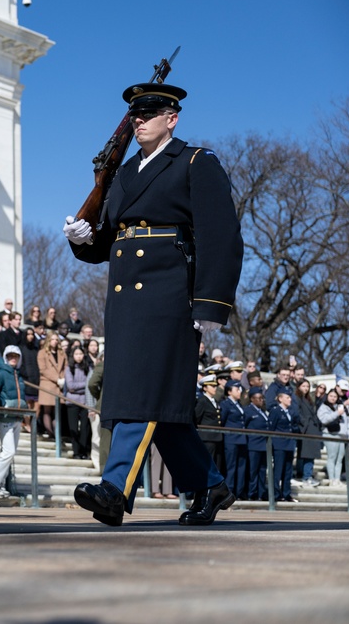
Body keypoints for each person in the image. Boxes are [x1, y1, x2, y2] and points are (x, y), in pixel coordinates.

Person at [64, 81, 243, 526]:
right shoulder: (123, 174)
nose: (139, 120)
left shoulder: (195, 162)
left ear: (172, 118)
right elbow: (110, 237)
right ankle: (209, 486)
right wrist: (84, 241)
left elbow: (222, 236)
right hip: (125, 298)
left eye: (149, 113)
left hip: (168, 294)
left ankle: (114, 488)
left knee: (140, 393)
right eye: (135, 115)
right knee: (157, 403)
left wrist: (210, 304)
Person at [0, 345, 26, 498]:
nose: (13, 358)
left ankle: (0, 484)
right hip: (5, 417)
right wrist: (2, 404)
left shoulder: (18, 375)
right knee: (8, 451)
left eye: (16, 356)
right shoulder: (0, 374)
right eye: (10, 355)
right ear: (5, 357)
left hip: (17, 417)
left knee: (9, 452)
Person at [267, 391, 300, 502]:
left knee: (288, 470)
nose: (289, 399)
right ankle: (276, 493)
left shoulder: (290, 412)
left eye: (290, 397)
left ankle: (286, 493)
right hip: (279, 444)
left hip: (289, 444)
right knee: (278, 470)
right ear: (280, 399)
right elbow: (271, 427)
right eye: (287, 397)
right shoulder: (276, 411)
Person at [219, 380, 248, 500]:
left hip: (241, 439)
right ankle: (228, 492)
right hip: (231, 438)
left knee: (241, 467)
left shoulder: (239, 404)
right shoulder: (226, 404)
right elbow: (223, 421)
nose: (239, 392)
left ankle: (238, 491)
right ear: (229, 392)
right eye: (237, 389)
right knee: (231, 467)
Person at [318, 388, 349, 486]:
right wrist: (337, 413)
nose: (333, 398)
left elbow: (346, 422)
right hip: (330, 434)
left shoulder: (340, 407)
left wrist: (348, 436)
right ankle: (332, 479)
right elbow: (324, 420)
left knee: (339, 458)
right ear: (327, 396)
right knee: (332, 457)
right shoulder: (323, 407)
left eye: (335, 397)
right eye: (331, 396)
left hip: (342, 435)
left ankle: (337, 479)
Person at [292, 378, 322, 488]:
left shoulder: (308, 399)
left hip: (310, 428)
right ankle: (306, 476)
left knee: (307, 454)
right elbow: (297, 413)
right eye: (304, 386)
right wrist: (305, 424)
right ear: (299, 386)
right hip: (305, 429)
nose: (306, 388)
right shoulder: (297, 398)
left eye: (307, 386)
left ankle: (305, 475)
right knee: (306, 454)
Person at [64, 345, 92, 460]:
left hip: (85, 401)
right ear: (73, 355)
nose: (79, 356)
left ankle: (84, 451)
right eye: (76, 354)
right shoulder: (69, 368)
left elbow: (90, 384)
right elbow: (70, 386)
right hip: (72, 401)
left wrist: (79, 387)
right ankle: (76, 452)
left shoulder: (88, 368)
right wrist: (84, 385)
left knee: (85, 428)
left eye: (80, 354)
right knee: (73, 428)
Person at [194, 374, 224, 474]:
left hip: (217, 437)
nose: (215, 388)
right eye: (212, 386)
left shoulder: (214, 401)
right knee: (208, 464)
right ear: (205, 388)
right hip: (207, 438)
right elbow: (196, 417)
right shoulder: (202, 401)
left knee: (216, 464)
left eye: (215, 386)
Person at [36, 331, 65, 437]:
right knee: (47, 410)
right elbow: (43, 370)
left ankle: (56, 433)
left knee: (56, 412)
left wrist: (63, 379)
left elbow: (64, 367)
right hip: (47, 384)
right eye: (52, 339)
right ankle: (50, 433)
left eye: (56, 340)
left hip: (59, 386)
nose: (55, 342)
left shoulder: (61, 353)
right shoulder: (42, 353)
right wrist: (57, 379)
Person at [243, 389, 270, 501]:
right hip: (253, 444)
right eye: (259, 398)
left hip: (263, 445)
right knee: (253, 471)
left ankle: (261, 493)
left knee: (262, 471)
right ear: (252, 399)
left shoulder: (262, 411)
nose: (261, 400)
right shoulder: (248, 411)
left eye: (262, 398)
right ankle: (251, 493)